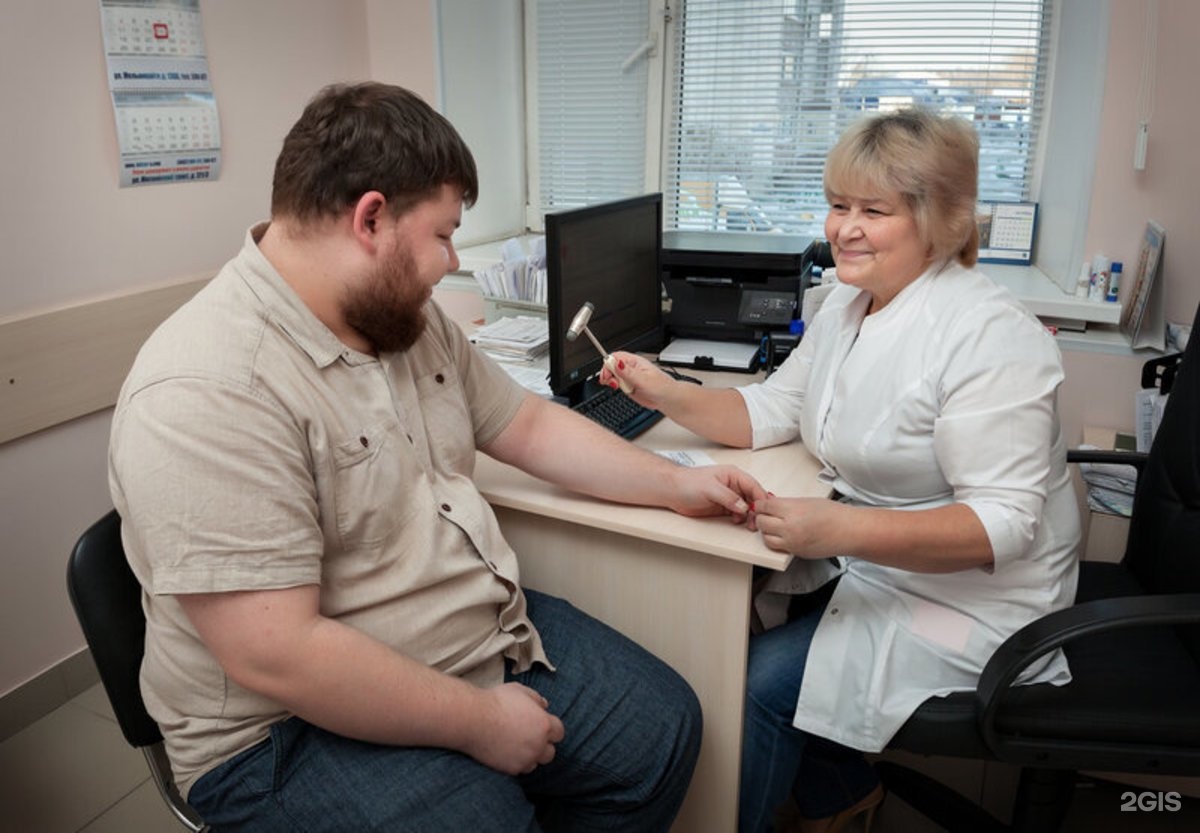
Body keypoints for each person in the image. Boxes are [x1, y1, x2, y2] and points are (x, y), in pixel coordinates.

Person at [108, 81, 768, 833]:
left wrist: (676, 486)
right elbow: (277, 654)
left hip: (460, 631)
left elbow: (525, 423)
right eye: (445, 236)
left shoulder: (400, 321)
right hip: (279, 732)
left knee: (661, 731)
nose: (450, 261)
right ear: (371, 218)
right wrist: (481, 721)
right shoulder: (208, 386)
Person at [601, 108, 1081, 833]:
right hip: (883, 562)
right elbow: (772, 410)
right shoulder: (847, 305)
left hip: (975, 597)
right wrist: (665, 390)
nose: (844, 228)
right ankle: (838, 792)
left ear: (939, 221)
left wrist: (841, 528)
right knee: (731, 634)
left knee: (759, 682)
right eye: (837, 204)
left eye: (873, 210)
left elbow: (1003, 525)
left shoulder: (989, 336)